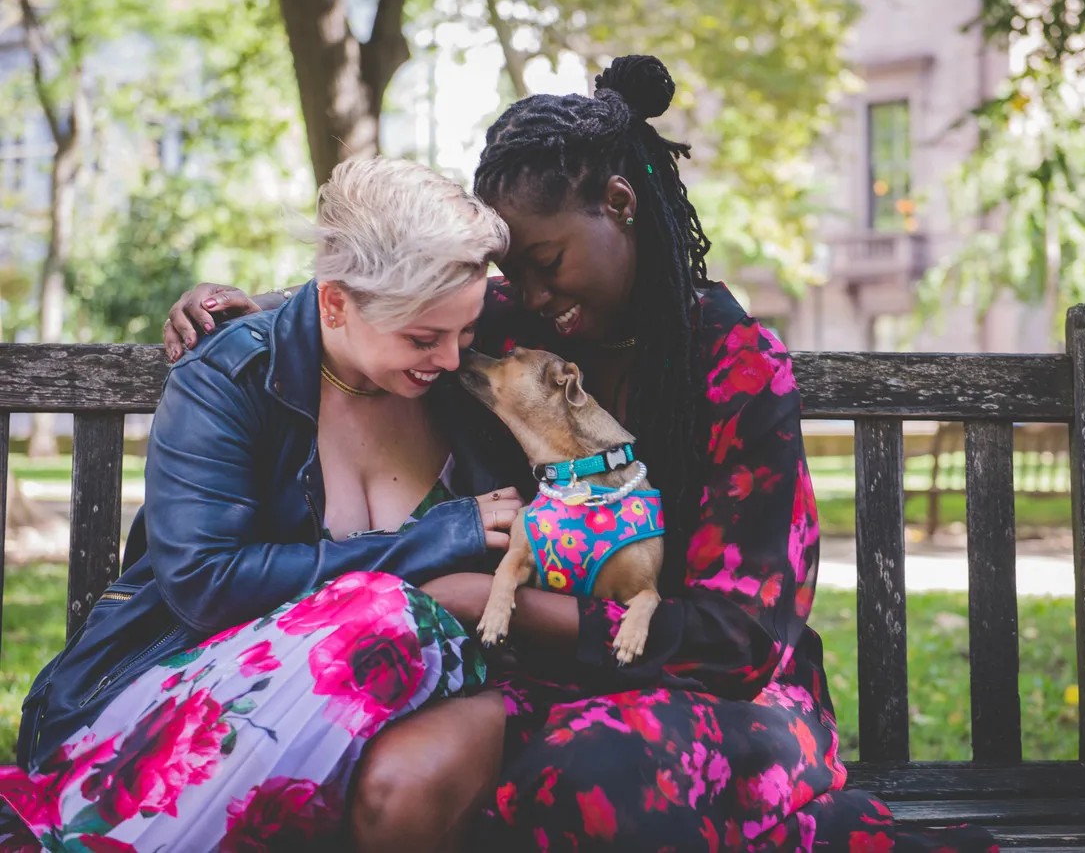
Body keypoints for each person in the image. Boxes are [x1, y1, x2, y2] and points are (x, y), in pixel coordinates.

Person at [164, 56, 995, 851]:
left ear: (621, 204)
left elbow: (740, 640)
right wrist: (255, 308)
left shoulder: (736, 368)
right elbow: (382, 301)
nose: (527, 296)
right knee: (441, 779)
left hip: (728, 694)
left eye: (546, 263)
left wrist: (489, 599)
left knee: (591, 776)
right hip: (551, 688)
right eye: (510, 275)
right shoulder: (509, 330)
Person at [0, 158, 527, 850]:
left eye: (465, 331)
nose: (456, 359)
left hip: (390, 710)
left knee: (398, 643)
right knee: (383, 610)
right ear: (335, 303)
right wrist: (434, 546)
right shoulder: (235, 372)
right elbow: (205, 583)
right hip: (169, 700)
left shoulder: (462, 381)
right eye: (423, 338)